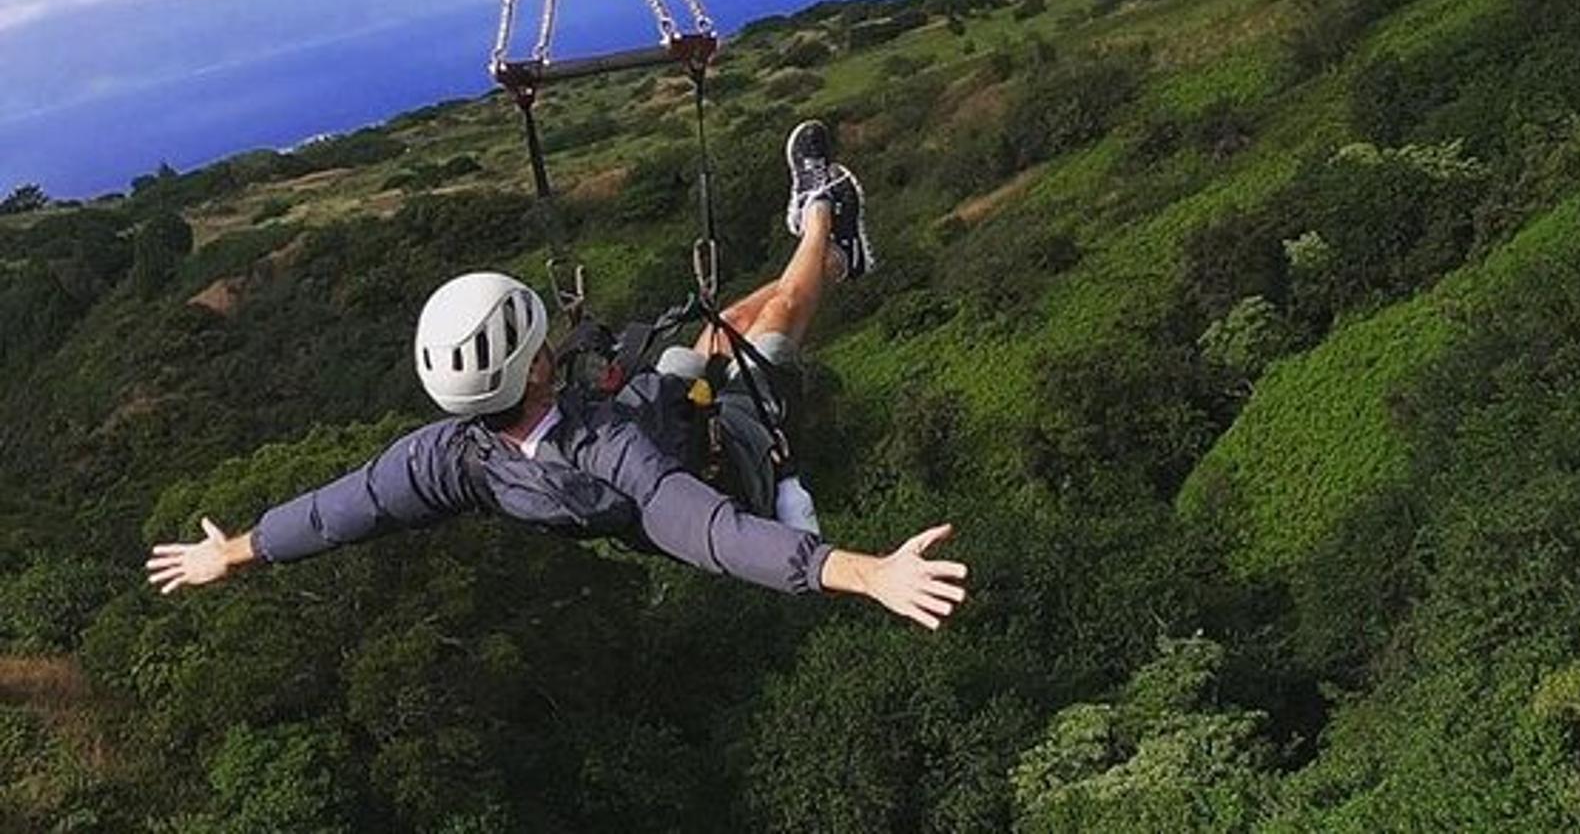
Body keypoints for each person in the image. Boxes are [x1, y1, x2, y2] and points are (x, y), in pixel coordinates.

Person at [144, 122, 967, 631]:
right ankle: (829, 213)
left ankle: (821, 238)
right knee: (776, 315)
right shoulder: (610, 452)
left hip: (664, 407)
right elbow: (718, 533)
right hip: (722, 451)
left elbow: (340, 510)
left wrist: (240, 552)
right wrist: (869, 574)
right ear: (538, 363)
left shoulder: (453, 457)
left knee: (721, 325)